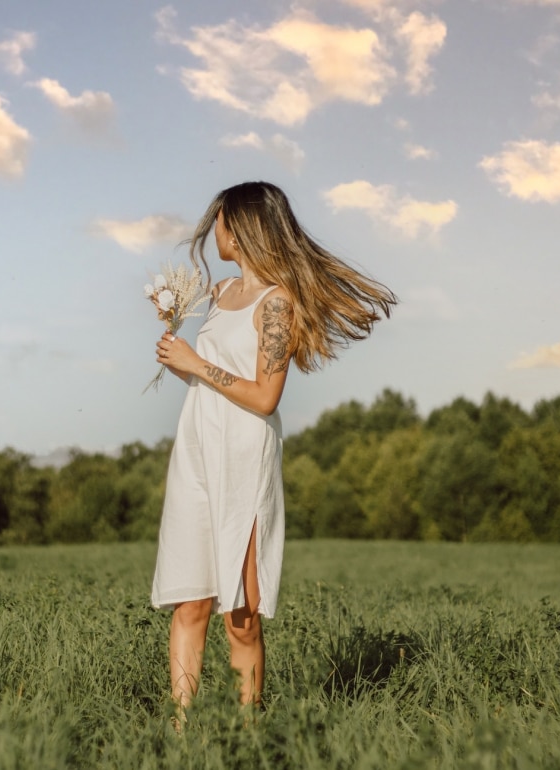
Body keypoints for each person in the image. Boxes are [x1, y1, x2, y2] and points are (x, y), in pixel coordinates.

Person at [151, 181, 397, 711]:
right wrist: (180, 364)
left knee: (240, 616)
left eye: (218, 220)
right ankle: (178, 739)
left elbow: (264, 397)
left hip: (243, 456)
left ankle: (248, 741)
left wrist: (197, 364)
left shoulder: (277, 304)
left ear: (240, 229)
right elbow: (210, 383)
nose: (213, 229)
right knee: (188, 602)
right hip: (196, 448)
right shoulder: (218, 295)